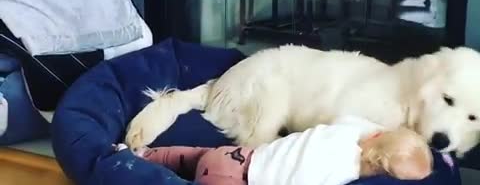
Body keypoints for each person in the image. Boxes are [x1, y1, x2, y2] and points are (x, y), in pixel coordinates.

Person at [117, 116, 433, 185]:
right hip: (238, 180)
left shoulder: (347, 130)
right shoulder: (345, 170)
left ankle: (141, 155)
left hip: (234, 155)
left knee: (191, 155)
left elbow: (353, 118)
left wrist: (379, 131)